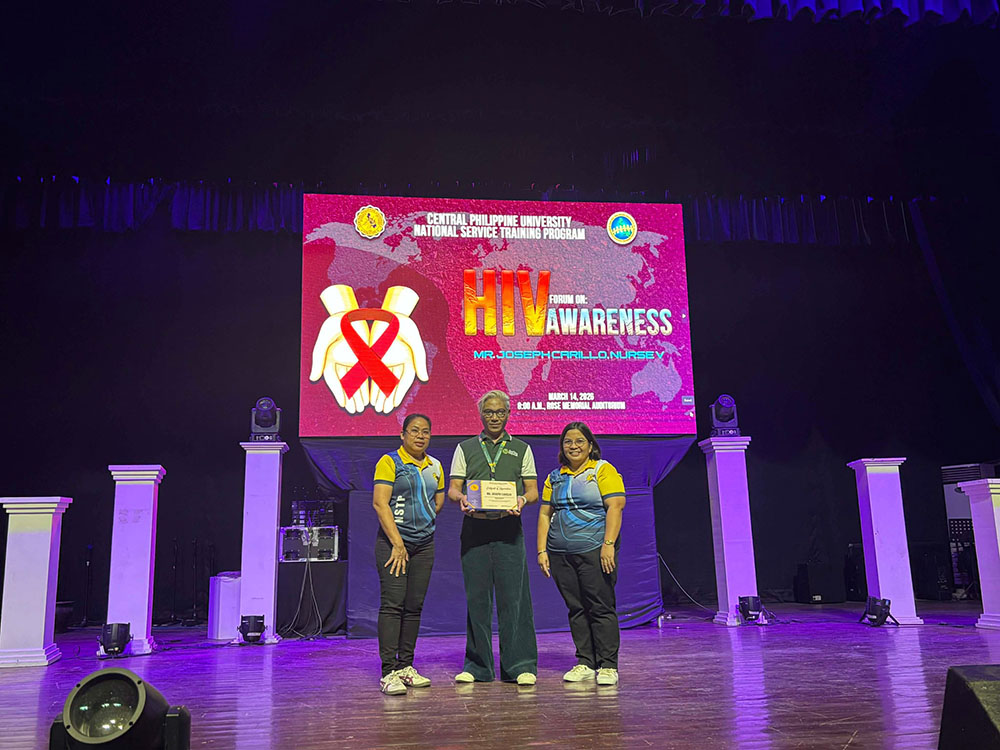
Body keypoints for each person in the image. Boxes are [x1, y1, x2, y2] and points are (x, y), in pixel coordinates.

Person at [448, 390, 539, 685]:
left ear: (508, 414)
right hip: (475, 529)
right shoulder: (465, 448)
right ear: (481, 414)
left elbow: (533, 491)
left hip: (508, 528)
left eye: (500, 412)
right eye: (489, 412)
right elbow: (453, 488)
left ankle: (519, 666)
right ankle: (478, 667)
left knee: (515, 599)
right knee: (478, 599)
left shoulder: (522, 449)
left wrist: (522, 500)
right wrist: (461, 498)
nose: (495, 417)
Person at [537, 421, 626, 686]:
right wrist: (542, 550)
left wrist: (608, 544)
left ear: (590, 445)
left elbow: (615, 507)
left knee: (600, 606)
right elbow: (545, 514)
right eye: (568, 442)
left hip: (595, 550)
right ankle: (585, 662)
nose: (573, 446)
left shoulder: (602, 470)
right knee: (576, 608)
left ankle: (607, 665)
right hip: (560, 553)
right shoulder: (555, 476)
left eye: (579, 441)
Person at [372, 413, 445, 695]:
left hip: (424, 545)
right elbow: (380, 504)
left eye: (425, 431)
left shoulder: (435, 465)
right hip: (393, 546)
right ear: (402, 434)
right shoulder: (390, 462)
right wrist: (398, 542)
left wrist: (421, 521)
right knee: (393, 605)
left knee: (414, 606)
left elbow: (437, 501)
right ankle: (388, 672)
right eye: (414, 431)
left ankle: (405, 666)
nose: (420, 436)